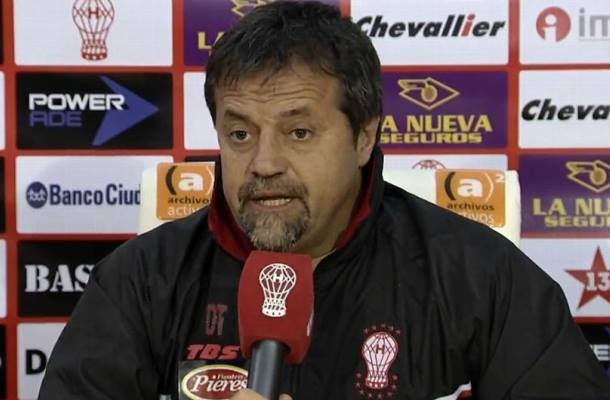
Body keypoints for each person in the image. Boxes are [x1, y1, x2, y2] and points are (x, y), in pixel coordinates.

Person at [39, 1, 610, 399]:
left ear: (364, 136)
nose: (263, 162)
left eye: (299, 132)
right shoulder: (142, 281)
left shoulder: (479, 277)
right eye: (239, 133)